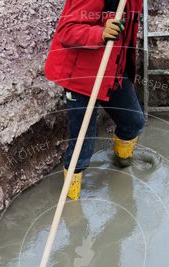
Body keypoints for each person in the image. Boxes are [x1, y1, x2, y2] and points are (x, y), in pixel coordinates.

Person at [44, 0, 145, 200]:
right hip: (80, 78)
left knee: (134, 122)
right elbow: (67, 31)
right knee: (83, 145)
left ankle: (122, 162)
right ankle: (72, 200)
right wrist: (99, 33)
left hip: (112, 70)